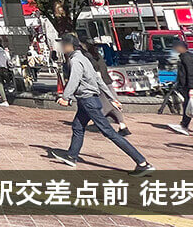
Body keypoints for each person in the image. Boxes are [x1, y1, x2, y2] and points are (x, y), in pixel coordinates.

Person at [48, 34, 152, 174]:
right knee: (78, 126)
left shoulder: (75, 61)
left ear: (69, 46)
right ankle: (71, 156)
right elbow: (99, 81)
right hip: (88, 101)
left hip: (88, 101)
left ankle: (142, 162)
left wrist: (66, 97)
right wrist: (112, 98)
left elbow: (74, 80)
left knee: (109, 132)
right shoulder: (84, 59)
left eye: (63, 44)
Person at [80, 38, 130, 135]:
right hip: (107, 81)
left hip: (100, 83)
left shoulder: (87, 56)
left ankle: (100, 124)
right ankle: (122, 125)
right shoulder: (98, 54)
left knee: (105, 105)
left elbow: (96, 70)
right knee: (114, 102)